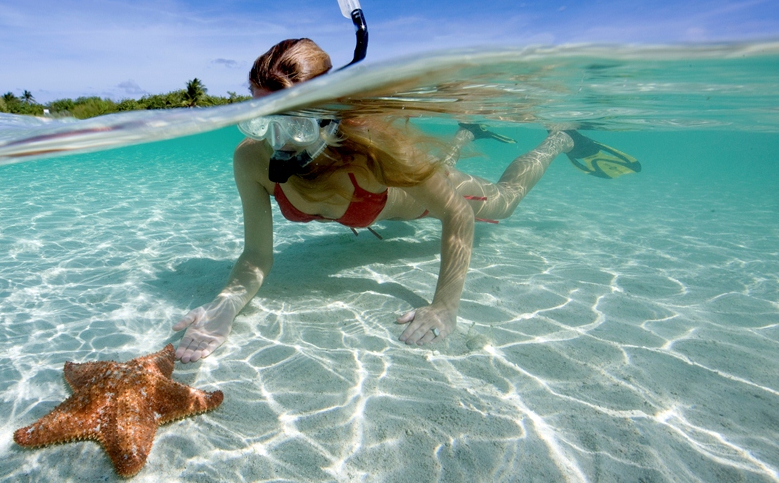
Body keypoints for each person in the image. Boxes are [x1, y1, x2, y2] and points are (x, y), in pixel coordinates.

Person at [172, 38, 637, 363]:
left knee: (505, 202)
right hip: (402, 188)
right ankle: (466, 132)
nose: (276, 141)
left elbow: (455, 212)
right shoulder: (252, 160)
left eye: (290, 122)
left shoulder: (374, 150)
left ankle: (560, 140)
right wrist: (226, 306)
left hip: (424, 198)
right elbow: (256, 257)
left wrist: (445, 306)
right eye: (260, 118)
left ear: (326, 114)